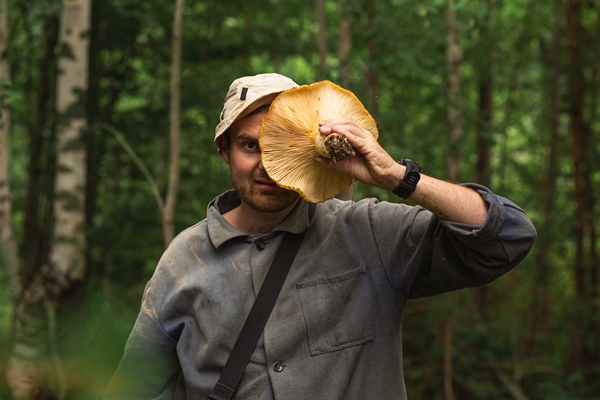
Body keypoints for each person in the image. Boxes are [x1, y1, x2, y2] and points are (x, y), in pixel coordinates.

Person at [104, 73, 536, 400]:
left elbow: (507, 237)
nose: (268, 165)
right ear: (224, 150)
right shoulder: (183, 261)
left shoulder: (367, 233)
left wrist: (396, 177)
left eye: (281, 144)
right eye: (250, 146)